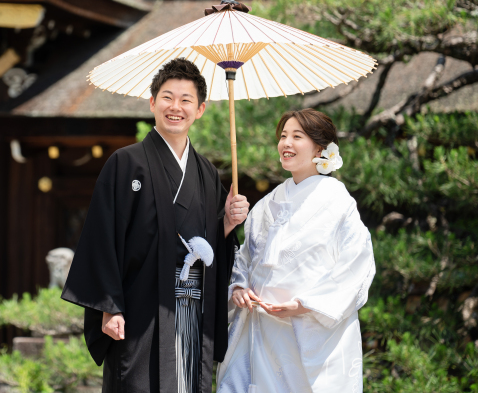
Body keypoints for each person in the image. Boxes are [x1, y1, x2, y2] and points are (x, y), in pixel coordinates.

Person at [62, 58, 250, 393]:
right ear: (152, 103)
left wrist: (228, 224)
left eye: (186, 100)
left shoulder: (206, 172)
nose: (175, 107)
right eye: (167, 97)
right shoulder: (125, 163)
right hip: (140, 311)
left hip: (193, 309)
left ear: (201, 109)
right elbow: (102, 237)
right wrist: (109, 306)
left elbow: (210, 245)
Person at [217, 109, 375, 393]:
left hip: (312, 330)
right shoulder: (267, 204)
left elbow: (357, 263)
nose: (286, 143)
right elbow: (245, 259)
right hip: (262, 333)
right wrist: (239, 286)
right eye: (283, 136)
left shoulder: (337, 201)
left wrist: (305, 304)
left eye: (297, 137)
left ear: (319, 148)